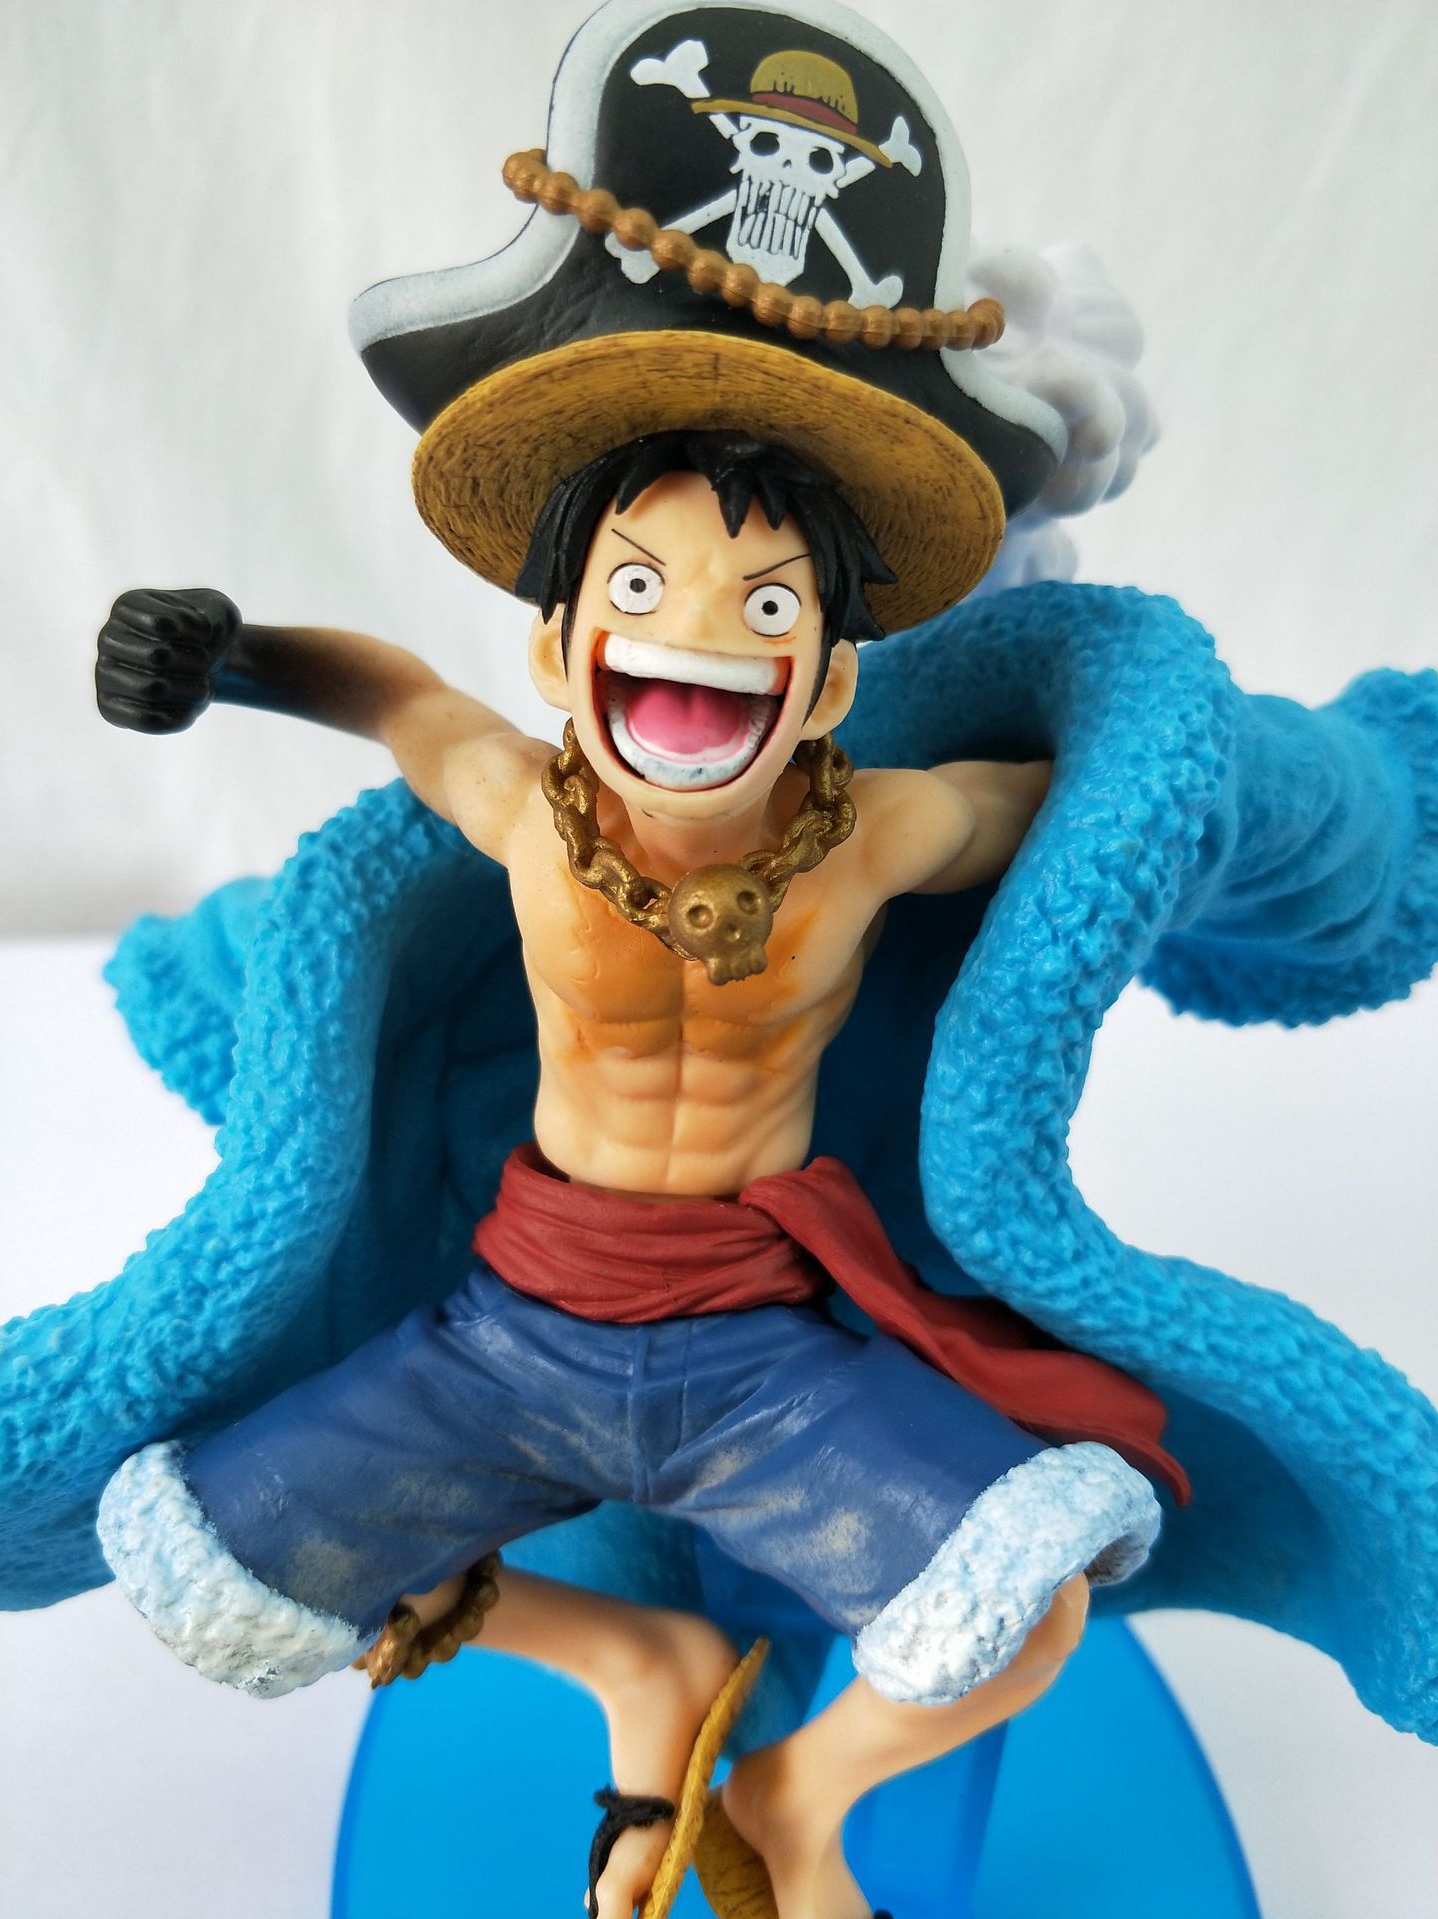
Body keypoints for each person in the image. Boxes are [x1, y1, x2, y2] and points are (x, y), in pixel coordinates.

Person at [94, 429, 1172, 1919]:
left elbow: (1058, 797)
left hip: (760, 1361)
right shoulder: (527, 818)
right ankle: (631, 1660)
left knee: (1037, 1597)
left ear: (828, 687)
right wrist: (231, 655)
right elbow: (404, 698)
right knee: (231, 1562)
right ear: (560, 648)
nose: (699, 637)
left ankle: (788, 1803)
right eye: (644, 587)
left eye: (768, 606)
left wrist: (1175, 760)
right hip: (511, 1341)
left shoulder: (872, 837)